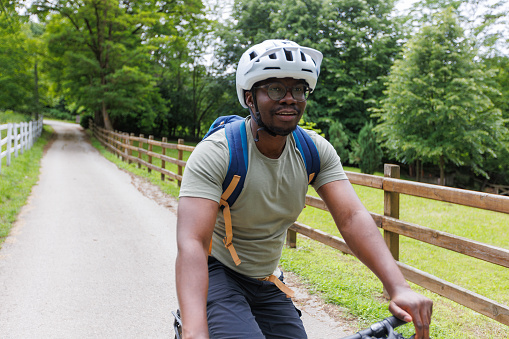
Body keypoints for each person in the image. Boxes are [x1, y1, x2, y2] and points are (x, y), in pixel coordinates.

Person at [175, 39, 433, 339]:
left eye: (298, 89)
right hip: (218, 272)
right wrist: (195, 330)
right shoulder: (219, 152)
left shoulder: (313, 150)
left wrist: (398, 287)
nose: (289, 98)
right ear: (249, 98)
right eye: (275, 89)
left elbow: (351, 217)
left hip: (266, 279)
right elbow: (192, 241)